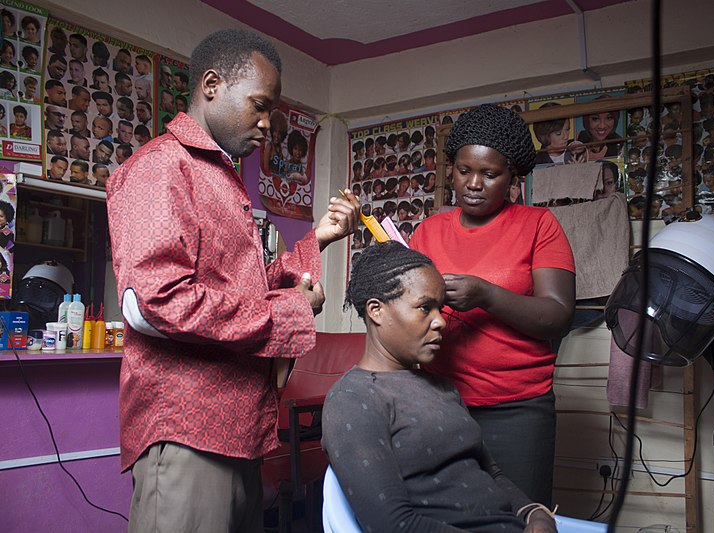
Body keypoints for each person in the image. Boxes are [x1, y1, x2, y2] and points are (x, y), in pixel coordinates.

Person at [105, 29, 360, 533]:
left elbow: (239, 291)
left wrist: (319, 240)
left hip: (238, 428)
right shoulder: (164, 167)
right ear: (212, 84)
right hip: (189, 431)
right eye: (260, 106)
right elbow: (155, 302)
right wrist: (290, 310)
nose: (267, 125)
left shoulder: (219, 176)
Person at [323, 241, 557, 533]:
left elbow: (490, 473)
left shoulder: (442, 387)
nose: (441, 322)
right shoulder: (353, 400)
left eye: (441, 308)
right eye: (425, 308)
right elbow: (394, 526)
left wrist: (533, 512)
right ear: (376, 311)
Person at [410, 104, 575, 506]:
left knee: (521, 517)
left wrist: (486, 295)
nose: (474, 184)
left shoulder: (539, 225)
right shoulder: (427, 232)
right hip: (439, 403)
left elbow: (557, 315)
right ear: (451, 170)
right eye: (464, 170)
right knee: (445, 517)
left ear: (513, 178)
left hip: (517, 410)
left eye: (490, 174)